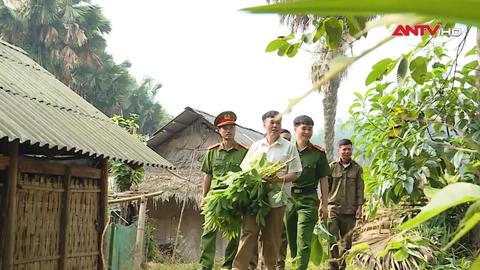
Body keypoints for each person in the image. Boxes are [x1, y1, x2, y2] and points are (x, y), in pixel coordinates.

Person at [232, 110, 302, 270]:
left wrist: (275, 180)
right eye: (272, 122)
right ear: (264, 125)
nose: (275, 126)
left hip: (277, 201)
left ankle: (269, 267)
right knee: (249, 233)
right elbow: (245, 171)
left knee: (271, 238)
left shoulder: (289, 147)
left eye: (278, 123)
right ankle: (239, 268)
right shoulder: (256, 146)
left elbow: (295, 173)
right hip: (254, 200)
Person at [199, 111, 248, 270]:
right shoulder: (212, 151)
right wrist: (203, 197)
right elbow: (208, 175)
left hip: (235, 198)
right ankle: (205, 266)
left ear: (235, 129)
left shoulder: (244, 152)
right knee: (209, 232)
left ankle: (228, 266)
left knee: (233, 235)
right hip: (214, 198)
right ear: (218, 131)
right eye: (224, 128)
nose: (228, 130)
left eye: (231, 127)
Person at [282, 115, 330, 270]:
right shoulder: (287, 150)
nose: (307, 132)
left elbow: (323, 179)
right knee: (292, 239)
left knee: (304, 240)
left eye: (310, 128)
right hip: (289, 198)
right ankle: (296, 265)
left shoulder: (318, 153)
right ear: (295, 129)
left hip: (309, 199)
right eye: (304, 128)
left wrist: (324, 204)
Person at [327, 139, 364, 270]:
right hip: (333, 208)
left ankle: (342, 266)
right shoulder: (332, 167)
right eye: (344, 149)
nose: (347, 152)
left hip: (350, 210)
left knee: (346, 243)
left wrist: (360, 208)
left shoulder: (357, 168)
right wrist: (322, 205)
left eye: (349, 149)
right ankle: (333, 266)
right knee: (331, 238)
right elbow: (326, 187)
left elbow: (360, 189)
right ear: (339, 151)